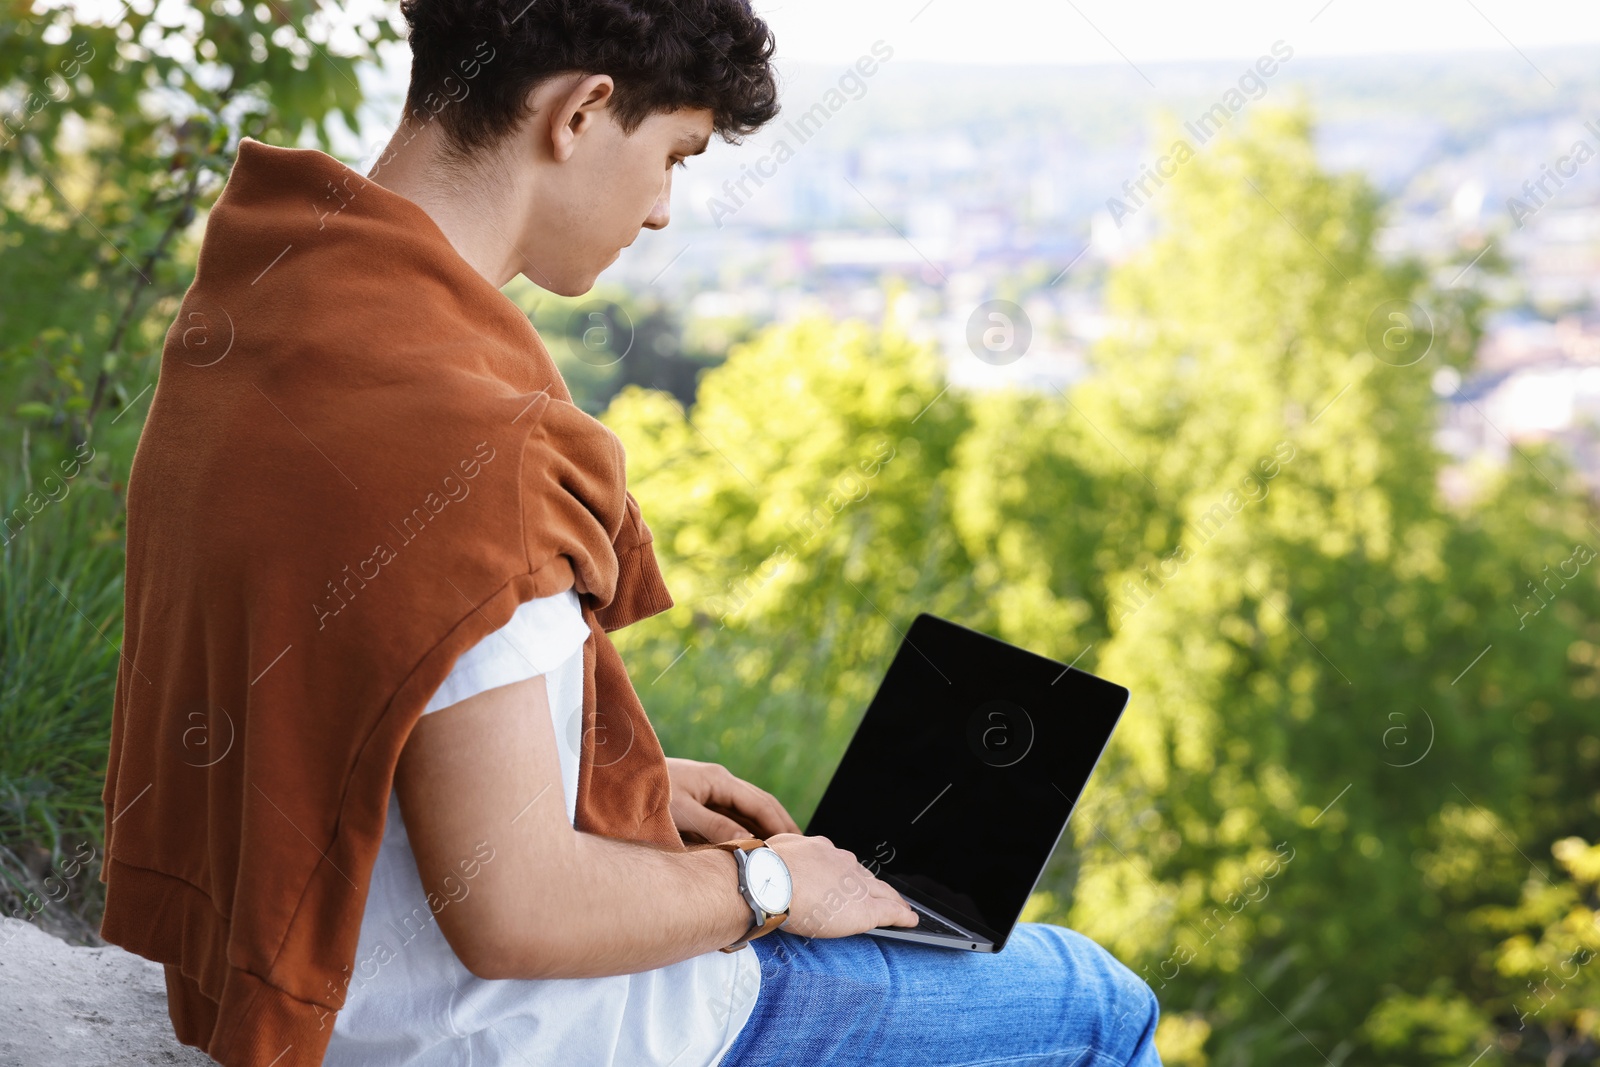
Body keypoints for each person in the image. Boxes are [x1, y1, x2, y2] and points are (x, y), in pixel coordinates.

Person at [103, 0, 1161, 1063]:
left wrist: (614, 783)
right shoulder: (475, 445)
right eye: (675, 158)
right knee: (1099, 1001)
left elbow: (355, 686)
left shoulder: (264, 307)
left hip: (292, 990)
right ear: (582, 111)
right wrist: (773, 882)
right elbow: (515, 906)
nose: (660, 210)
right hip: (495, 1034)